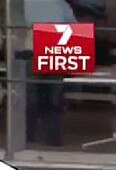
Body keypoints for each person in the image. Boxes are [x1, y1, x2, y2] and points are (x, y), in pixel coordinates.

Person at [23, 0, 77, 146]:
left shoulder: (25, 4)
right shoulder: (61, 5)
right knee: (54, 97)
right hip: (53, 51)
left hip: (34, 51)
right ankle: (53, 137)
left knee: (31, 96)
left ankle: (28, 136)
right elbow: (74, 28)